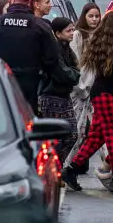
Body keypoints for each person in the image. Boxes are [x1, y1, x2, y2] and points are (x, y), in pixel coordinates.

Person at [61, 10, 113, 193]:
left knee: (96, 137)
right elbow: (107, 72)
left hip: (100, 94)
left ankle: (70, 170)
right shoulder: (109, 48)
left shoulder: (101, 43)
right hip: (105, 96)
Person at [0, 0, 63, 113]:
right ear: (29, 1)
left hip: (2, 82)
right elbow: (53, 58)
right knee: (27, 119)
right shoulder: (40, 26)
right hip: (30, 84)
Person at [39, 17, 81, 179]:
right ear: (57, 33)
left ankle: (55, 168)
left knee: (72, 135)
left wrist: (74, 73)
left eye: (73, 29)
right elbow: (65, 73)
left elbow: (74, 70)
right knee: (57, 137)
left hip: (64, 95)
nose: (72, 33)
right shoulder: (53, 49)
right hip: (51, 97)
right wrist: (74, 74)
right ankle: (50, 171)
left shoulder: (67, 49)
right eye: (68, 30)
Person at [66, 3, 101, 166]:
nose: (94, 19)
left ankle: (109, 168)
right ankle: (67, 167)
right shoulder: (78, 35)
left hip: (97, 90)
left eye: (97, 16)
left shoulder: (101, 35)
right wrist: (80, 88)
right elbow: (75, 62)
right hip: (81, 90)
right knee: (78, 131)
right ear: (84, 17)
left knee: (102, 131)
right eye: (91, 16)